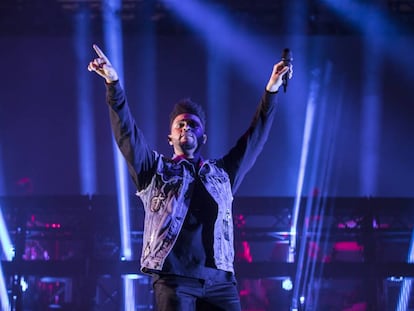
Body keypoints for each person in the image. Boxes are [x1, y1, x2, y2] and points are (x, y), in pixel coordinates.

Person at [88, 44, 292, 311]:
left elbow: (254, 139)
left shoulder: (222, 174)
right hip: (174, 280)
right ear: (170, 137)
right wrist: (113, 85)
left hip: (220, 281)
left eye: (193, 124)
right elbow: (127, 134)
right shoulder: (155, 170)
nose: (186, 127)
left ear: (202, 137)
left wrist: (272, 89)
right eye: (180, 124)